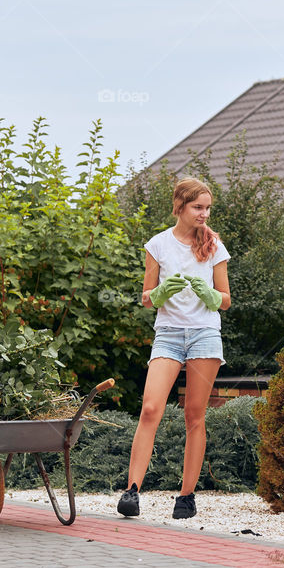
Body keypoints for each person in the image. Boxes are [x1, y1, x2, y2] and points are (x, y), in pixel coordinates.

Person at [117, 178, 231, 520]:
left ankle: (186, 496)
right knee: (151, 408)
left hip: (204, 335)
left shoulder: (214, 245)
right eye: (198, 207)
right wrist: (162, 291)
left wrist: (211, 296)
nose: (204, 214)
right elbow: (146, 297)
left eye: (208, 208)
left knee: (194, 416)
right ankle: (132, 491)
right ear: (179, 206)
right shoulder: (158, 245)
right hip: (168, 334)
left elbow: (225, 301)